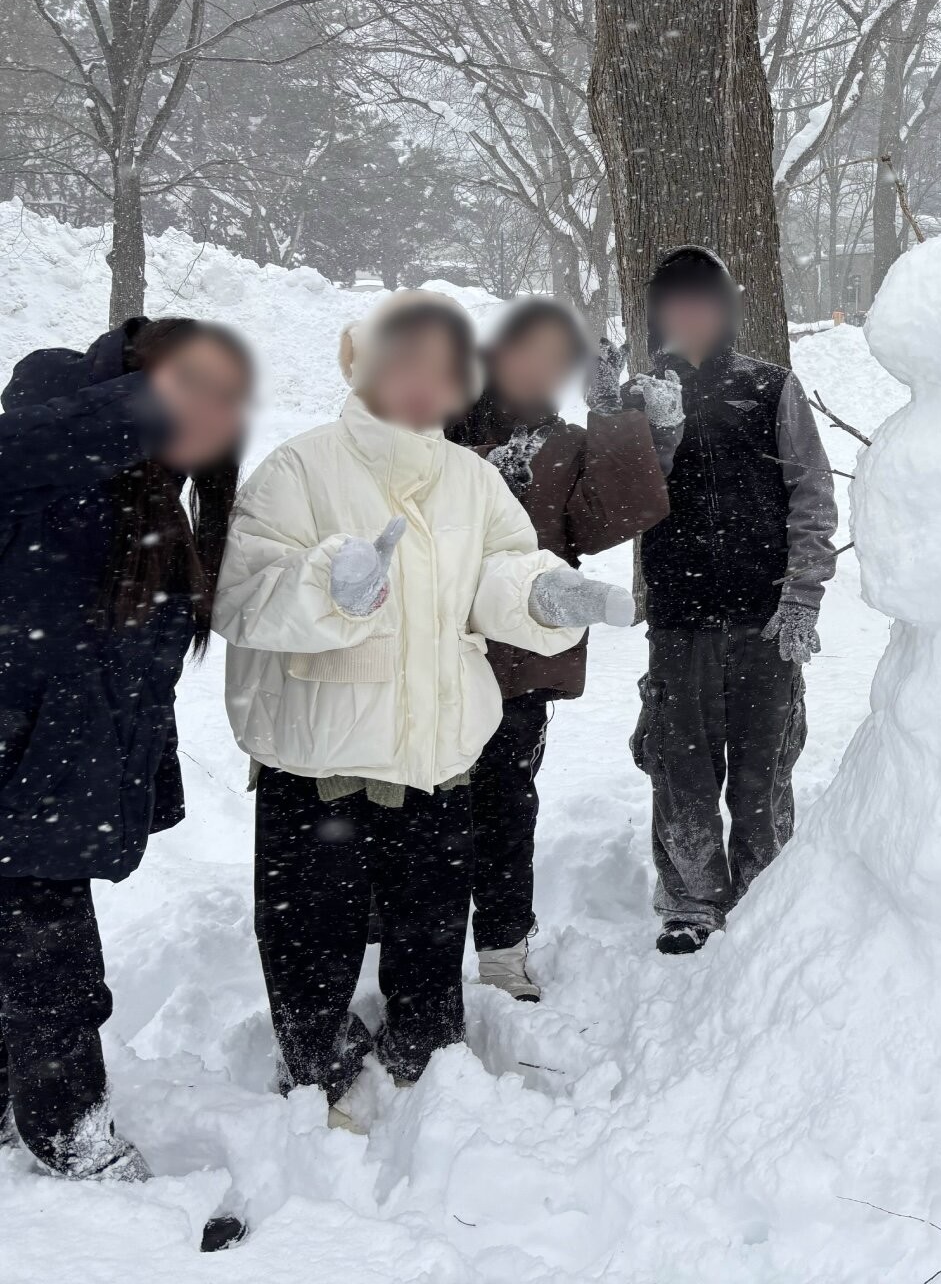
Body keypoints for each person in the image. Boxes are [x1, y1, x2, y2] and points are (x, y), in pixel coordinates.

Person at [214, 291, 636, 1128]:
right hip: (319, 765)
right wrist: (324, 583)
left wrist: (545, 595)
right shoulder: (299, 470)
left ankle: (426, 1055)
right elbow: (242, 596)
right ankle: (317, 1075)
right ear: (361, 367)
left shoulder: (472, 481)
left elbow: (499, 574)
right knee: (312, 942)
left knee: (432, 928)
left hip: (438, 757)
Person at [0, 318, 252, 1183]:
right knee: (54, 964)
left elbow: (129, 665)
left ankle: (16, 1102)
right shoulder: (50, 433)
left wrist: (150, 774)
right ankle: (72, 1134)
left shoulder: (154, 504)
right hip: (21, 760)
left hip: (56, 767)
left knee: (35, 946)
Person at [446, 299, 678, 1002]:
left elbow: (618, 514)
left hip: (521, 664)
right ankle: (399, 947)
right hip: (434, 653)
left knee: (505, 806)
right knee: (417, 809)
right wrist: (482, 460)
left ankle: (501, 951)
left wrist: (615, 420)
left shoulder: (565, 444)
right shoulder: (441, 421)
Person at [634, 245, 837, 956]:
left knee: (763, 770)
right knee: (682, 768)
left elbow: (812, 494)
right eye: (676, 303)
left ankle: (765, 889)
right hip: (678, 618)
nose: (690, 315)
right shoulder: (644, 394)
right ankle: (691, 898)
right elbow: (625, 505)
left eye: (703, 301)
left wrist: (803, 596)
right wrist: (646, 430)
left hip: (764, 616)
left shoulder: (770, 387)